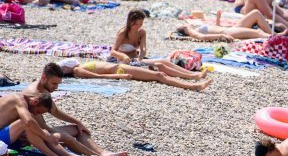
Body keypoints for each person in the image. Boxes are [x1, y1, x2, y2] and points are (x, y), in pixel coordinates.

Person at [23, 63, 128, 156]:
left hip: (41, 129)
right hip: (33, 134)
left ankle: (103, 153)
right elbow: (40, 127)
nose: (56, 88)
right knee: (66, 137)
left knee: (78, 129)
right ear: (44, 77)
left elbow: (55, 111)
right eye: (54, 84)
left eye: (58, 84)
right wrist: (62, 136)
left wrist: (78, 122)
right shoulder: (35, 95)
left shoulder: (44, 89)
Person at [111, 10, 209, 82]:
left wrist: (142, 54)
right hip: (124, 62)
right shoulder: (123, 33)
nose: (139, 26)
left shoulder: (141, 32)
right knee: (160, 65)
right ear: (130, 22)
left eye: (141, 23)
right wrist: (123, 56)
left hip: (136, 59)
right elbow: (113, 51)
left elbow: (143, 48)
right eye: (136, 24)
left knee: (163, 61)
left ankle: (194, 74)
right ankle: (193, 76)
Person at [0, 93, 94, 156]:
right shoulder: (19, 100)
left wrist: (43, 134)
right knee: (28, 123)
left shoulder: (24, 103)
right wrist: (46, 136)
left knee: (39, 130)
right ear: (35, 102)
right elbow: (28, 121)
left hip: (3, 137)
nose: (36, 114)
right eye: (38, 111)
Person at [58, 60, 211, 92]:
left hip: (121, 67)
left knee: (161, 68)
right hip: (119, 71)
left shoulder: (78, 66)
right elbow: (94, 77)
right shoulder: (77, 71)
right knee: (159, 75)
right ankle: (193, 86)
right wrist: (119, 77)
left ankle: (193, 77)